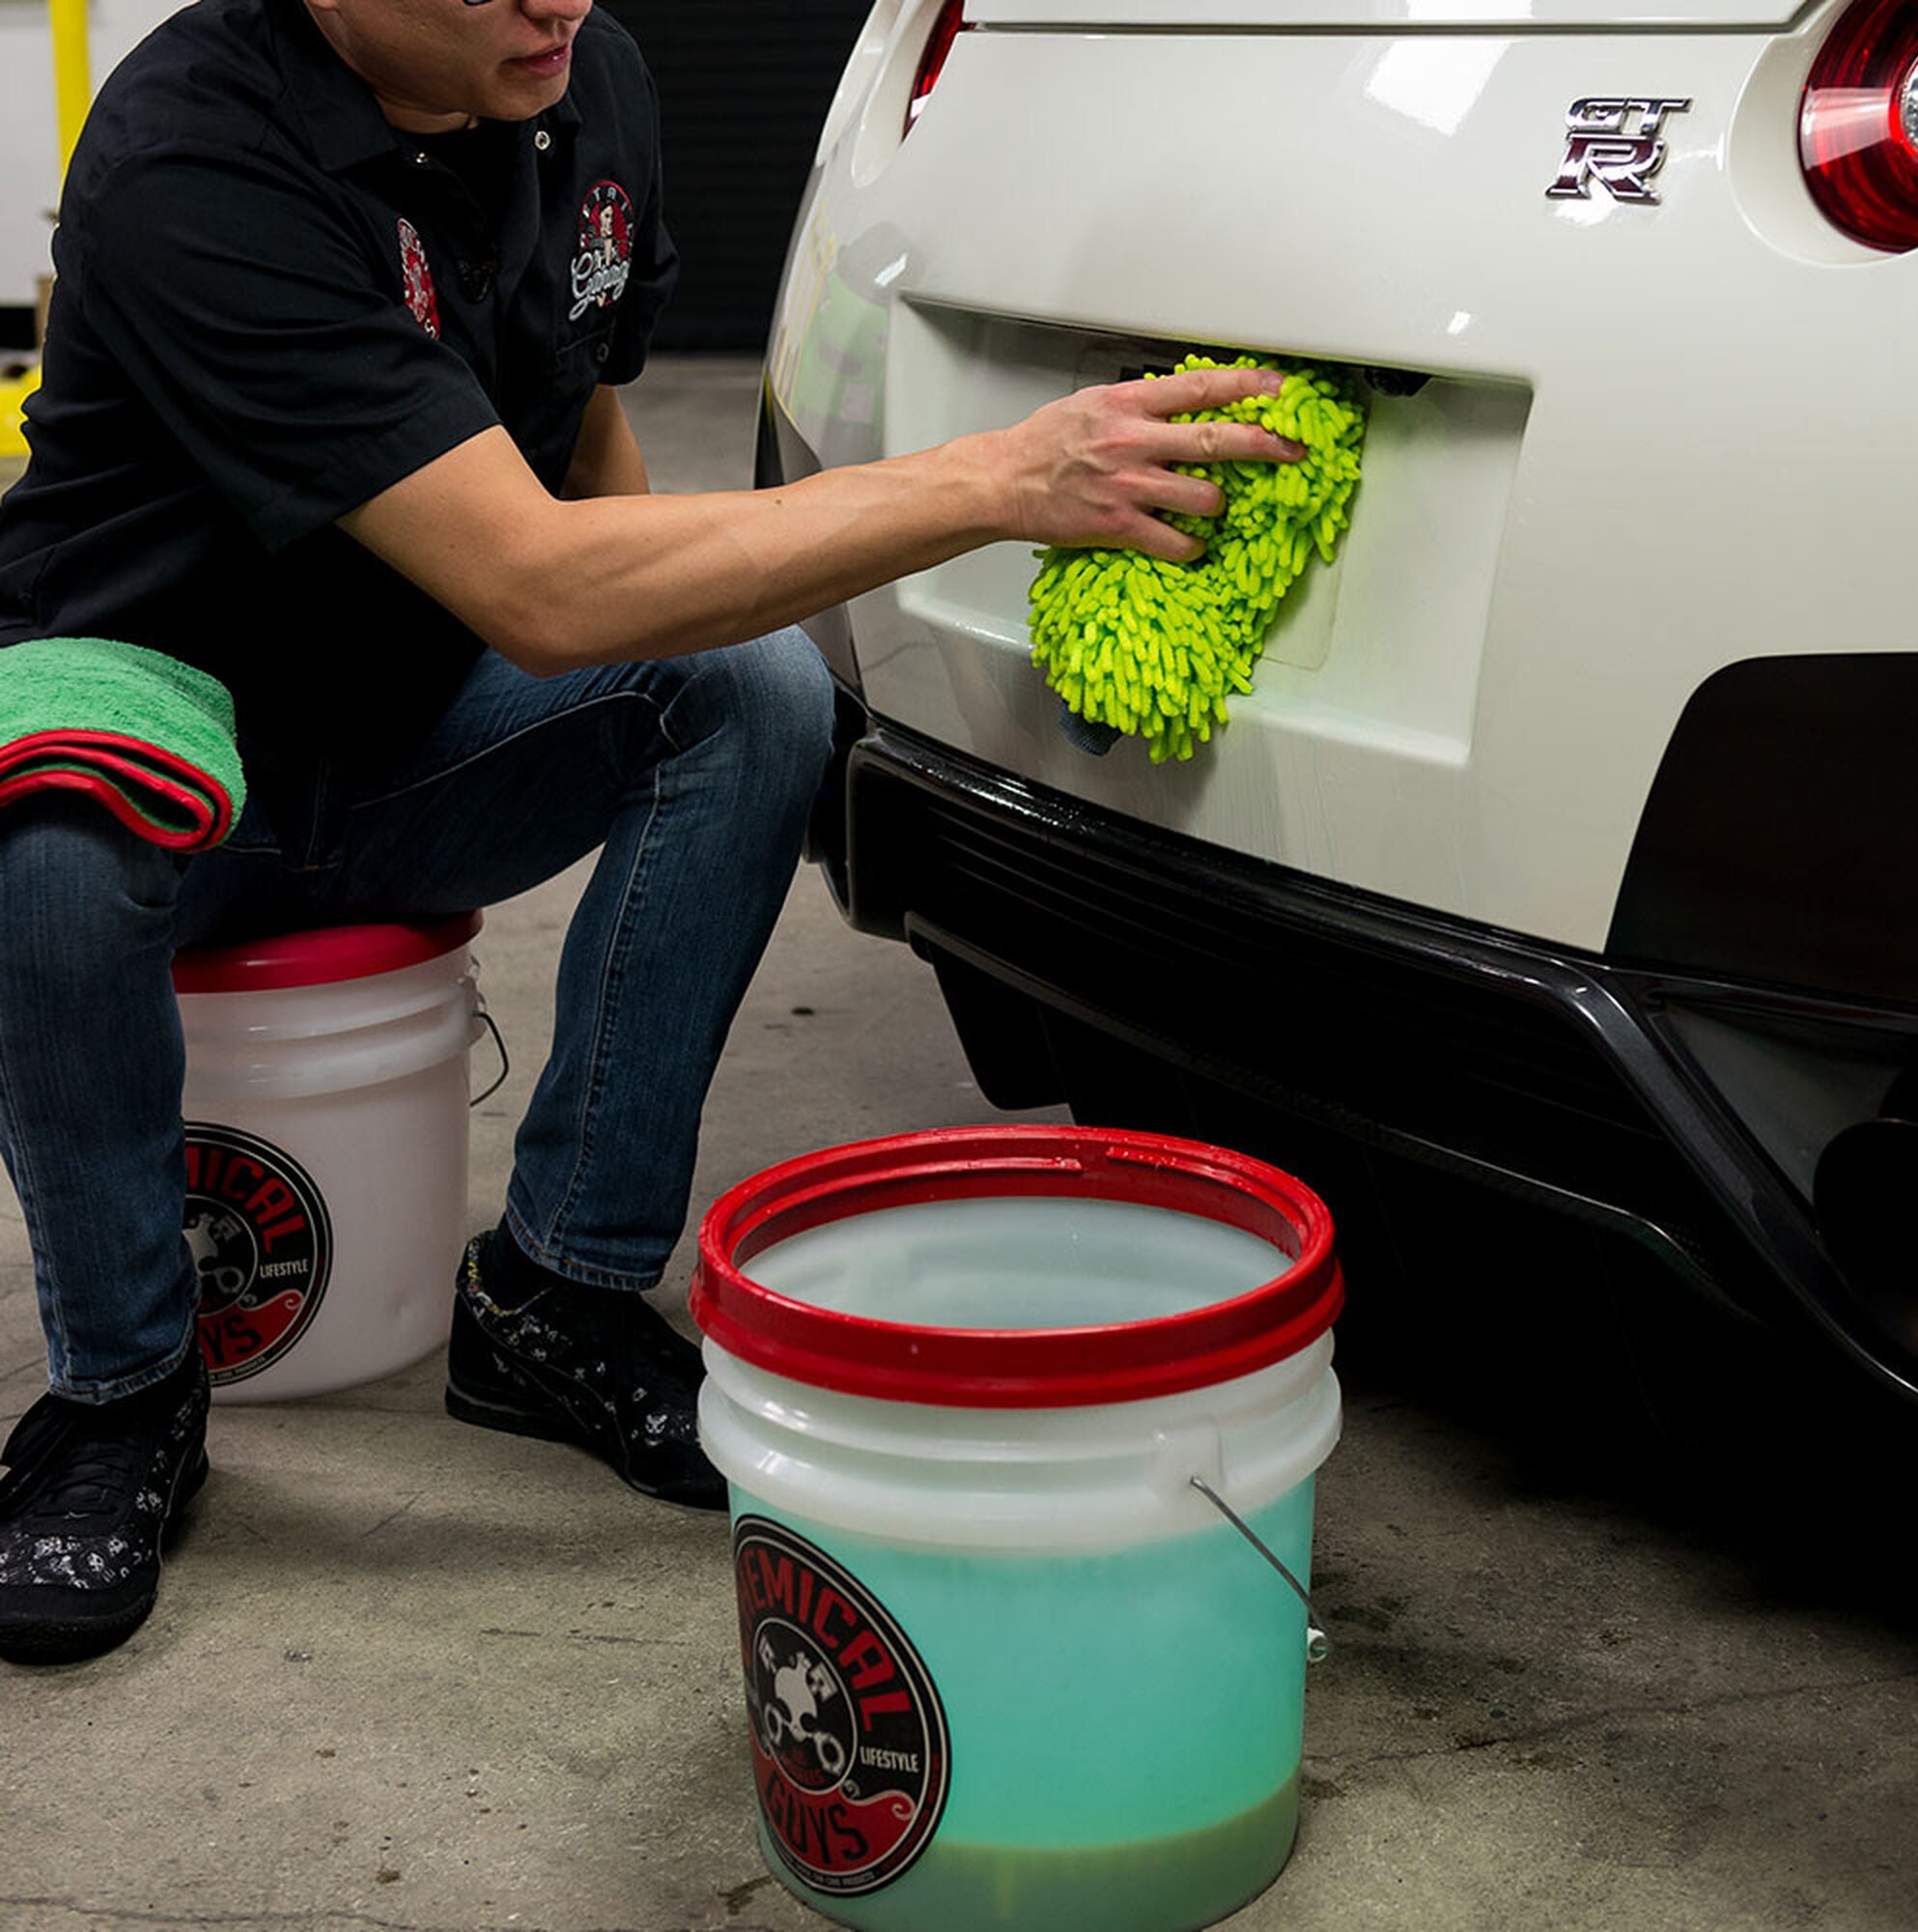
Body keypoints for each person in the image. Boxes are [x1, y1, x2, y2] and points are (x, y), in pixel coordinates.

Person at [0, 0, 1305, 1666]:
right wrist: (998, 481)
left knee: (750, 691)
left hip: (415, 730)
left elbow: (583, 425)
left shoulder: (576, 73)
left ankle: (556, 1289)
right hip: (160, 716)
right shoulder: (200, 158)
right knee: (48, 857)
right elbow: (538, 591)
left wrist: (675, 633)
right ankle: (120, 1391)